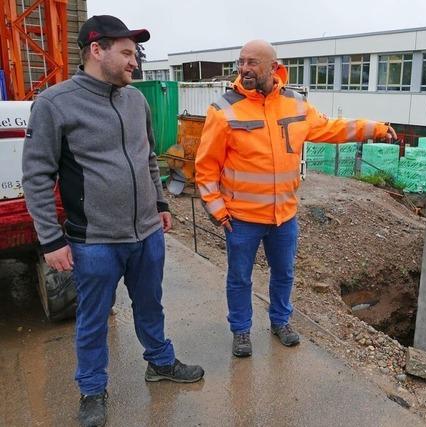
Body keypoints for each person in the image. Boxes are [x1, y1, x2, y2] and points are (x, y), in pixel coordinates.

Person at [22, 15, 204, 427]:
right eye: (126, 53)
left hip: (146, 234)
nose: (134, 63)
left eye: (135, 54)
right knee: (92, 318)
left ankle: (159, 362)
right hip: (95, 241)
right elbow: (36, 176)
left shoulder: (135, 100)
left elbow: (149, 160)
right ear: (96, 50)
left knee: (150, 305)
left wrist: (161, 205)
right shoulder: (55, 104)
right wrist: (51, 241)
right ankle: (91, 389)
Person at [195, 40, 396, 358]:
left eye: (253, 63)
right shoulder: (223, 109)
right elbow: (205, 168)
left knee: (285, 273)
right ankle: (241, 331)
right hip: (242, 218)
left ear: (273, 68)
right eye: (241, 62)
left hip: (283, 215)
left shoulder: (296, 104)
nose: (244, 69)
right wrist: (217, 210)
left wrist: (374, 129)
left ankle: (280, 322)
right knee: (239, 278)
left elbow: (330, 129)